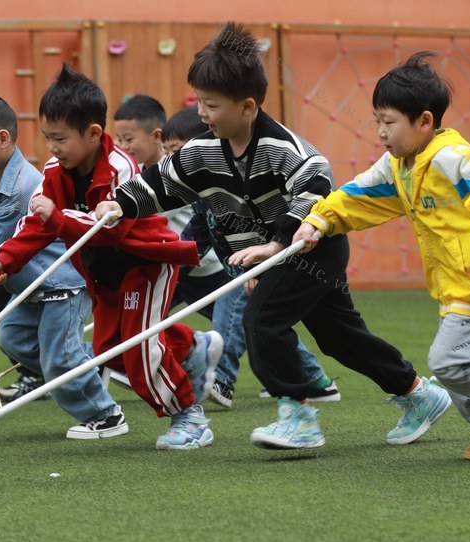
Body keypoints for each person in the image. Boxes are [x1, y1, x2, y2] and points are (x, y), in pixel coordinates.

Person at [98, 23, 450, 451]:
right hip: (274, 256)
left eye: (211, 106)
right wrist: (119, 204)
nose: (203, 115)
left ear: (248, 107)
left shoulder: (282, 147)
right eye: (200, 104)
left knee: (262, 321)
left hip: (312, 246)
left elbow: (318, 183)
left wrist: (278, 245)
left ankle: (298, 415)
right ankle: (418, 392)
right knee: (340, 336)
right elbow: (158, 183)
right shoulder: (203, 151)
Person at [294, 53, 470, 461]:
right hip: (452, 284)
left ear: (425, 122)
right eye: (377, 120)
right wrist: (319, 220)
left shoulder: (451, 156)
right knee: (457, 375)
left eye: (389, 122)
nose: (380, 131)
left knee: (447, 363)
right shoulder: (398, 166)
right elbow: (357, 196)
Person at [0, 65, 223, 450]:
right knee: (109, 351)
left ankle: (189, 416)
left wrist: (56, 217)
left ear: (94, 133)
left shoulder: (120, 168)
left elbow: (111, 229)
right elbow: (36, 225)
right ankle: (192, 349)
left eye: (60, 138)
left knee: (138, 348)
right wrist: (3, 260)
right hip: (103, 273)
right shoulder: (56, 170)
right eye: (47, 138)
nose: (53, 148)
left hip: (144, 265)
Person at [0, 90, 127, 439]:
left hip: (61, 283)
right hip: (31, 286)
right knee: (13, 337)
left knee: (58, 360)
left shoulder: (20, 186)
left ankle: (105, 415)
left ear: (2, 139)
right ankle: (86, 363)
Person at [160, 105, 339, 408]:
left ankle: (222, 381)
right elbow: (198, 234)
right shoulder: (202, 194)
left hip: (257, 267)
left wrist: (259, 271)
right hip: (238, 270)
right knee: (262, 328)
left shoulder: (235, 182)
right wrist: (172, 260)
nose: (172, 162)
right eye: (167, 153)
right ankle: (317, 380)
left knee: (230, 322)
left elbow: (264, 228)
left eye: (176, 152)